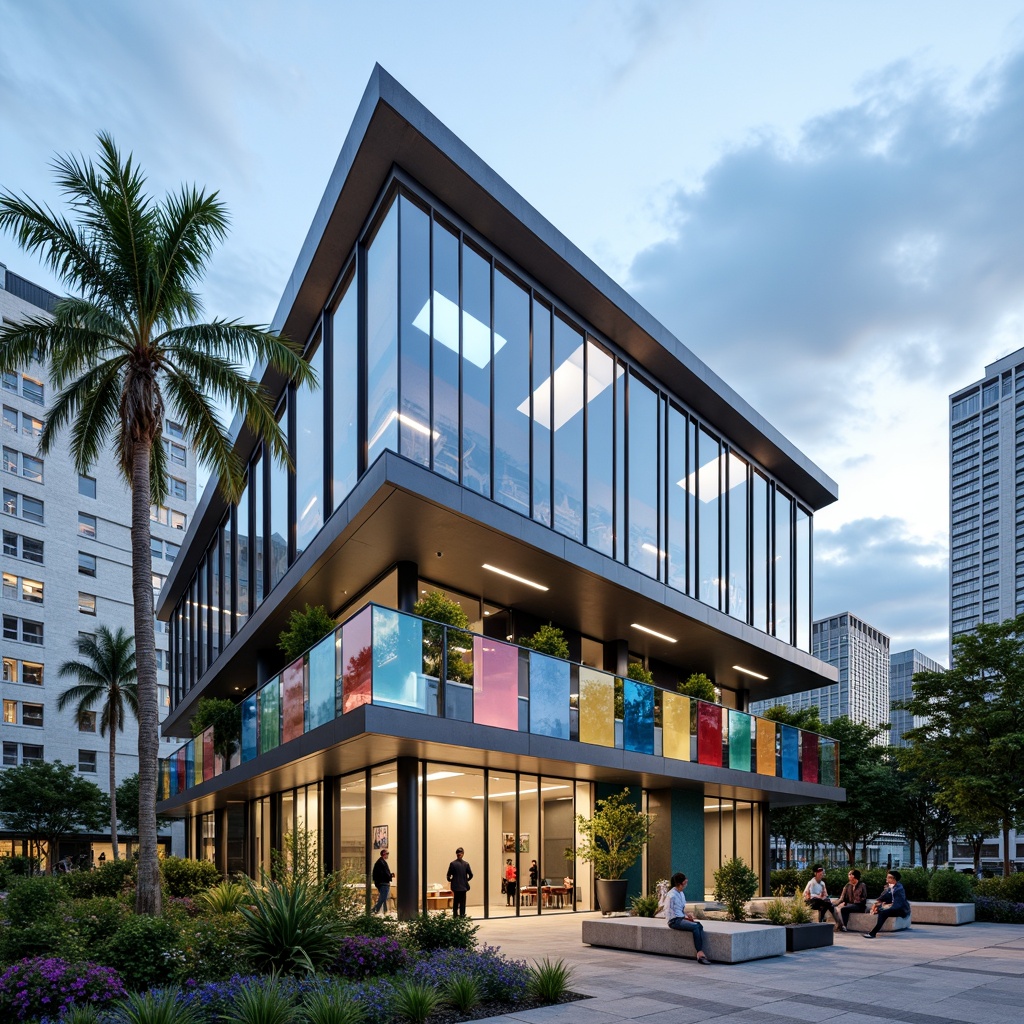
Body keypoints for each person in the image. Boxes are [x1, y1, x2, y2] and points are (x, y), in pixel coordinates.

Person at [666, 872, 709, 964]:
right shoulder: (671, 895)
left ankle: (700, 952)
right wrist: (683, 918)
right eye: (684, 882)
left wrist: (686, 915)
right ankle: (700, 953)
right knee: (696, 926)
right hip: (674, 921)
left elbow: (680, 909)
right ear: (680, 883)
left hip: (680, 918)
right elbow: (669, 912)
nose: (686, 884)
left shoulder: (681, 893)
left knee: (699, 925)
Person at [863, 870, 910, 938]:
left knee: (883, 913)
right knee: (868, 910)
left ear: (893, 879)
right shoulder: (888, 887)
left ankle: (873, 933)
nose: (886, 879)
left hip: (900, 910)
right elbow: (881, 898)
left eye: (888, 877)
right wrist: (875, 906)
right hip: (891, 907)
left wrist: (882, 908)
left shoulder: (899, 889)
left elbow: (897, 905)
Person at [447, 847, 473, 917]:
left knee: (455, 901)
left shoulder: (452, 864)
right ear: (463, 854)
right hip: (463, 886)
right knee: (462, 902)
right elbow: (471, 875)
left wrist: (451, 880)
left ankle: (455, 915)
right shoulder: (466, 864)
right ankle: (462, 914)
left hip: (455, 887)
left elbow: (448, 875)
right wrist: (466, 880)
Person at [371, 847, 394, 915]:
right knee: (383, 897)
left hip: (381, 882)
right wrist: (390, 876)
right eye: (387, 854)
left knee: (384, 897)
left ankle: (385, 911)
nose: (388, 855)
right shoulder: (381, 863)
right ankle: (375, 910)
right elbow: (383, 873)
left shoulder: (381, 862)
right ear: (384, 854)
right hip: (383, 883)